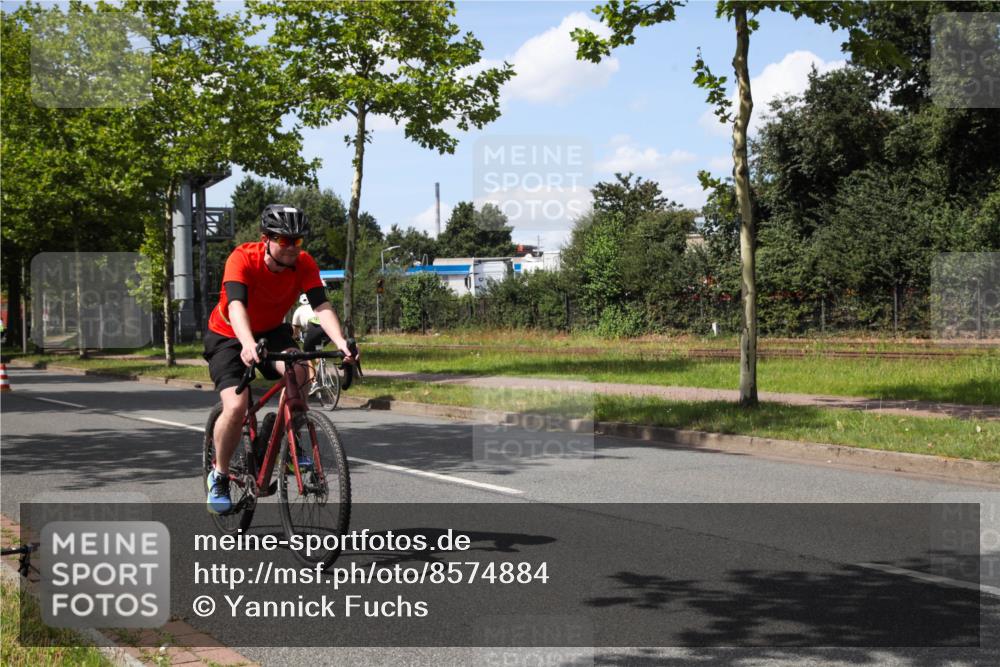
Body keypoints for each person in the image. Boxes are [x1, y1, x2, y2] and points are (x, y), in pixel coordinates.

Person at [202, 204, 357, 514]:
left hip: (272, 330)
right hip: (229, 335)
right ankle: (219, 475)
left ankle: (288, 438)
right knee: (236, 406)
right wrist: (247, 344)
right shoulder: (242, 258)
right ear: (266, 239)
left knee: (299, 369)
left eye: (297, 241)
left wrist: (341, 342)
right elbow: (235, 306)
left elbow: (321, 306)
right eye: (284, 241)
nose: (291, 248)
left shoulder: (304, 264)